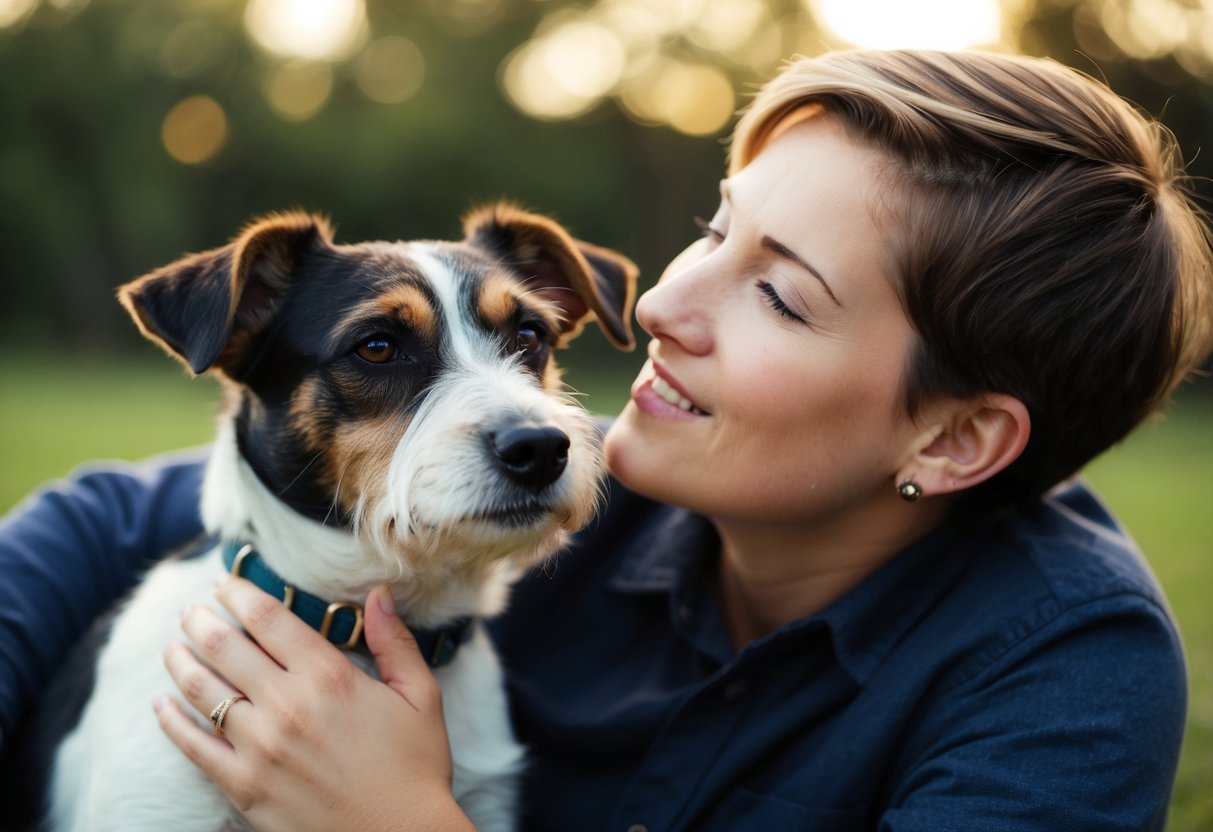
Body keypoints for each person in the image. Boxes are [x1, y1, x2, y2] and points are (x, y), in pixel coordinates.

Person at [2, 48, 1211, 831]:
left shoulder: (1064, 677)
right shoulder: (586, 465)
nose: (652, 311)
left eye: (780, 295)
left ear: (954, 442)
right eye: (714, 227)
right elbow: (105, 519)